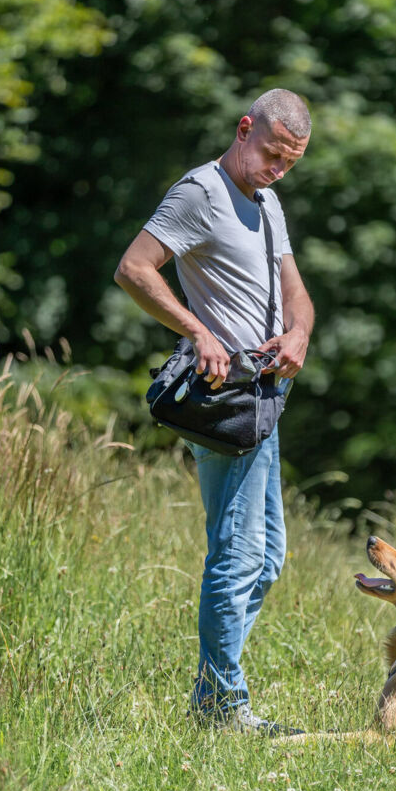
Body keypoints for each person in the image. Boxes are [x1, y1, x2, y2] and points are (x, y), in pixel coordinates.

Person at [114, 89, 314, 735]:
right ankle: (223, 706)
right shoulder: (200, 192)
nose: (276, 169)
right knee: (236, 555)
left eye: (289, 162)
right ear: (244, 128)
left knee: (269, 559)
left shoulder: (268, 202)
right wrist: (199, 332)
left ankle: (212, 687)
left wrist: (298, 335)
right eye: (271, 154)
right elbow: (135, 269)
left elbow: (297, 295)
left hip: (267, 398)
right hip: (225, 402)